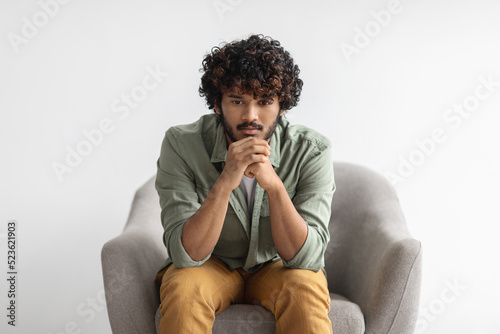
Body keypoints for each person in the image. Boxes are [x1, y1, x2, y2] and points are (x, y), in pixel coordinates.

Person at [154, 34, 335, 334]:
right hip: (211, 264)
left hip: (278, 266)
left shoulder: (311, 149)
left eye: (264, 102)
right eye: (237, 101)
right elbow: (186, 255)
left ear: (283, 107)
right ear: (217, 104)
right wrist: (226, 180)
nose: (250, 116)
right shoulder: (181, 144)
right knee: (185, 289)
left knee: (304, 286)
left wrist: (275, 187)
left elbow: (307, 257)